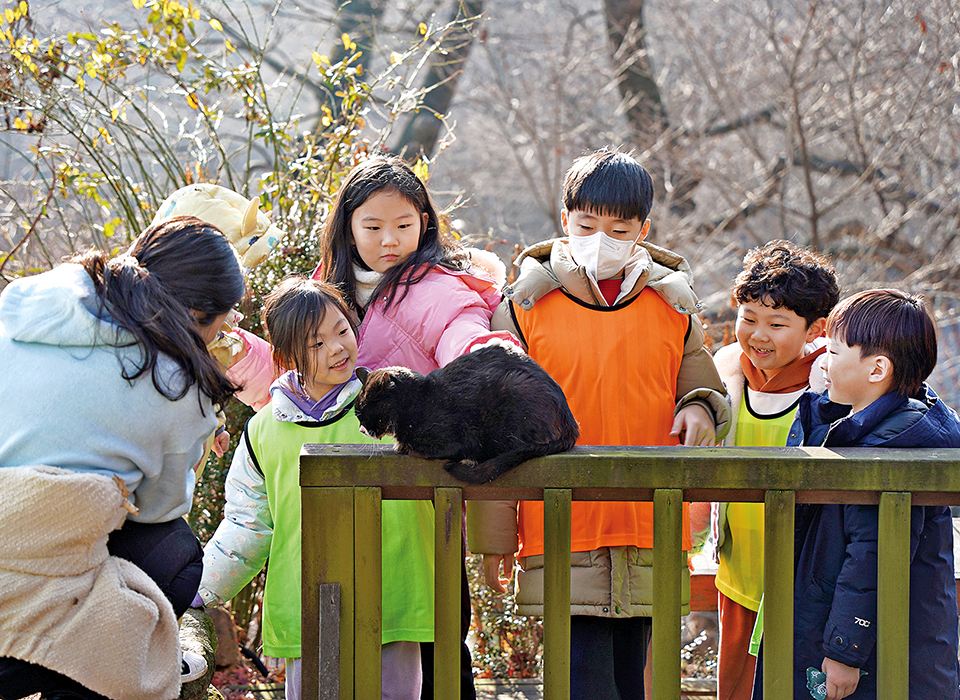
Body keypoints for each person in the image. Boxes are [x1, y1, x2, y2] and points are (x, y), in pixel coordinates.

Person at [226, 154, 521, 699]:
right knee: (348, 656)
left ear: (425, 224)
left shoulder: (441, 289)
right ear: (347, 228)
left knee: (437, 648)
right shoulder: (324, 289)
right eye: (373, 226)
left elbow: (464, 335)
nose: (390, 240)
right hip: (342, 507)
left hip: (421, 495)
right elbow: (295, 382)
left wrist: (491, 359)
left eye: (405, 226)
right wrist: (238, 355)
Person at [466, 147, 730, 700]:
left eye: (619, 228)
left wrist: (701, 409)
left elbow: (703, 386)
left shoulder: (671, 305)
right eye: (586, 224)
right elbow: (491, 427)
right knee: (582, 681)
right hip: (559, 527)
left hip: (649, 524)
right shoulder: (523, 309)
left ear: (643, 228)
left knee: (633, 682)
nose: (600, 239)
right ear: (565, 220)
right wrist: (491, 539)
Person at [0, 216, 245, 698]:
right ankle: (81, 675)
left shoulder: (33, 301)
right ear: (199, 312)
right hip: (20, 616)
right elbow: (160, 510)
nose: (231, 325)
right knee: (176, 553)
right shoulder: (175, 384)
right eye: (228, 315)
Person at [197, 276, 435, 700]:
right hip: (307, 605)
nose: (337, 348)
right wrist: (196, 591)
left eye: (341, 330)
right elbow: (247, 526)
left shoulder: (394, 405)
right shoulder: (262, 431)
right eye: (316, 344)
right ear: (288, 357)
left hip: (394, 598)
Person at [755, 289, 960, 700]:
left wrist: (845, 652)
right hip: (845, 627)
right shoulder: (866, 426)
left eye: (832, 351)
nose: (821, 360)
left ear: (877, 369)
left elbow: (872, 559)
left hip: (868, 651)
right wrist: (821, 408)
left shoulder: (890, 449)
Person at [711, 241, 839, 700]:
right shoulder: (726, 374)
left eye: (777, 324)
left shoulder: (829, 386)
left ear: (815, 328)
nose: (758, 335)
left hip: (804, 579)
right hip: (738, 571)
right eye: (748, 318)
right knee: (737, 687)